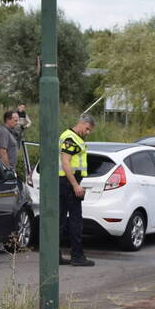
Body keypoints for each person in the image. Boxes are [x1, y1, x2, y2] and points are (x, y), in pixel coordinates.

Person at [59, 114, 96, 267]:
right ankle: (77, 256)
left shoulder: (73, 137)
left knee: (60, 220)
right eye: (87, 129)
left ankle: (55, 255)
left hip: (64, 183)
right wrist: (75, 185)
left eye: (90, 131)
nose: (87, 132)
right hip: (68, 183)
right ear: (81, 123)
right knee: (75, 221)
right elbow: (66, 162)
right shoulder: (70, 137)